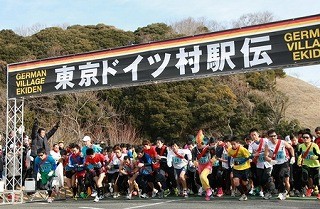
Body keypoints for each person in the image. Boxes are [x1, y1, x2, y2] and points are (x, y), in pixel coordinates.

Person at [264, 129, 295, 200]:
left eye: (274, 136)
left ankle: (283, 192)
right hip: (276, 163)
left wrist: (293, 156)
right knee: (276, 178)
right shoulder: (267, 145)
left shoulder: (282, 142)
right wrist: (270, 160)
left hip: (284, 162)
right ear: (268, 137)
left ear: (277, 136)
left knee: (282, 175)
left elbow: (290, 148)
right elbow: (266, 156)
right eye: (271, 136)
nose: (273, 137)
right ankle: (281, 191)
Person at [296, 131, 320, 199]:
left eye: (307, 137)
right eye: (304, 137)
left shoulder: (314, 146)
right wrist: (299, 162)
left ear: (310, 139)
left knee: (317, 179)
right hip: (305, 164)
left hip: (315, 165)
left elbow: (319, 155)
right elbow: (298, 155)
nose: (305, 139)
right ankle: (309, 189)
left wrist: (314, 157)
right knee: (305, 177)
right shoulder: (300, 146)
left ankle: (318, 192)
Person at [227, 136, 251, 201]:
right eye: (231, 144)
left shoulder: (242, 149)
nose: (233, 145)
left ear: (238, 143)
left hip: (245, 168)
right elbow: (229, 157)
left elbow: (249, 156)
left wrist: (241, 161)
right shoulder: (229, 149)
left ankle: (248, 187)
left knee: (244, 183)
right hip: (236, 168)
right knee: (236, 182)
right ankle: (243, 194)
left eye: (234, 144)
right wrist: (231, 165)